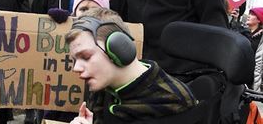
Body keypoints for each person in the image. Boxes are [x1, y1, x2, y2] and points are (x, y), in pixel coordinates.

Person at [67, 7, 197, 124]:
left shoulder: (172, 102)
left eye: (86, 57)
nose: (76, 68)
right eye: (75, 60)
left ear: (117, 47)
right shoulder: (102, 89)